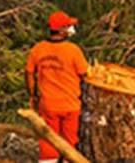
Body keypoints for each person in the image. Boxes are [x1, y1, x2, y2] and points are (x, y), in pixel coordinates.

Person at [25, 11, 90, 163]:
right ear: (61, 30)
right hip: (71, 105)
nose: (71, 29)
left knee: (48, 141)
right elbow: (85, 74)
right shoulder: (73, 51)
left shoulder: (38, 49)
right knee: (70, 144)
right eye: (68, 26)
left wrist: (32, 95)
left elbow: (29, 73)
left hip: (48, 104)